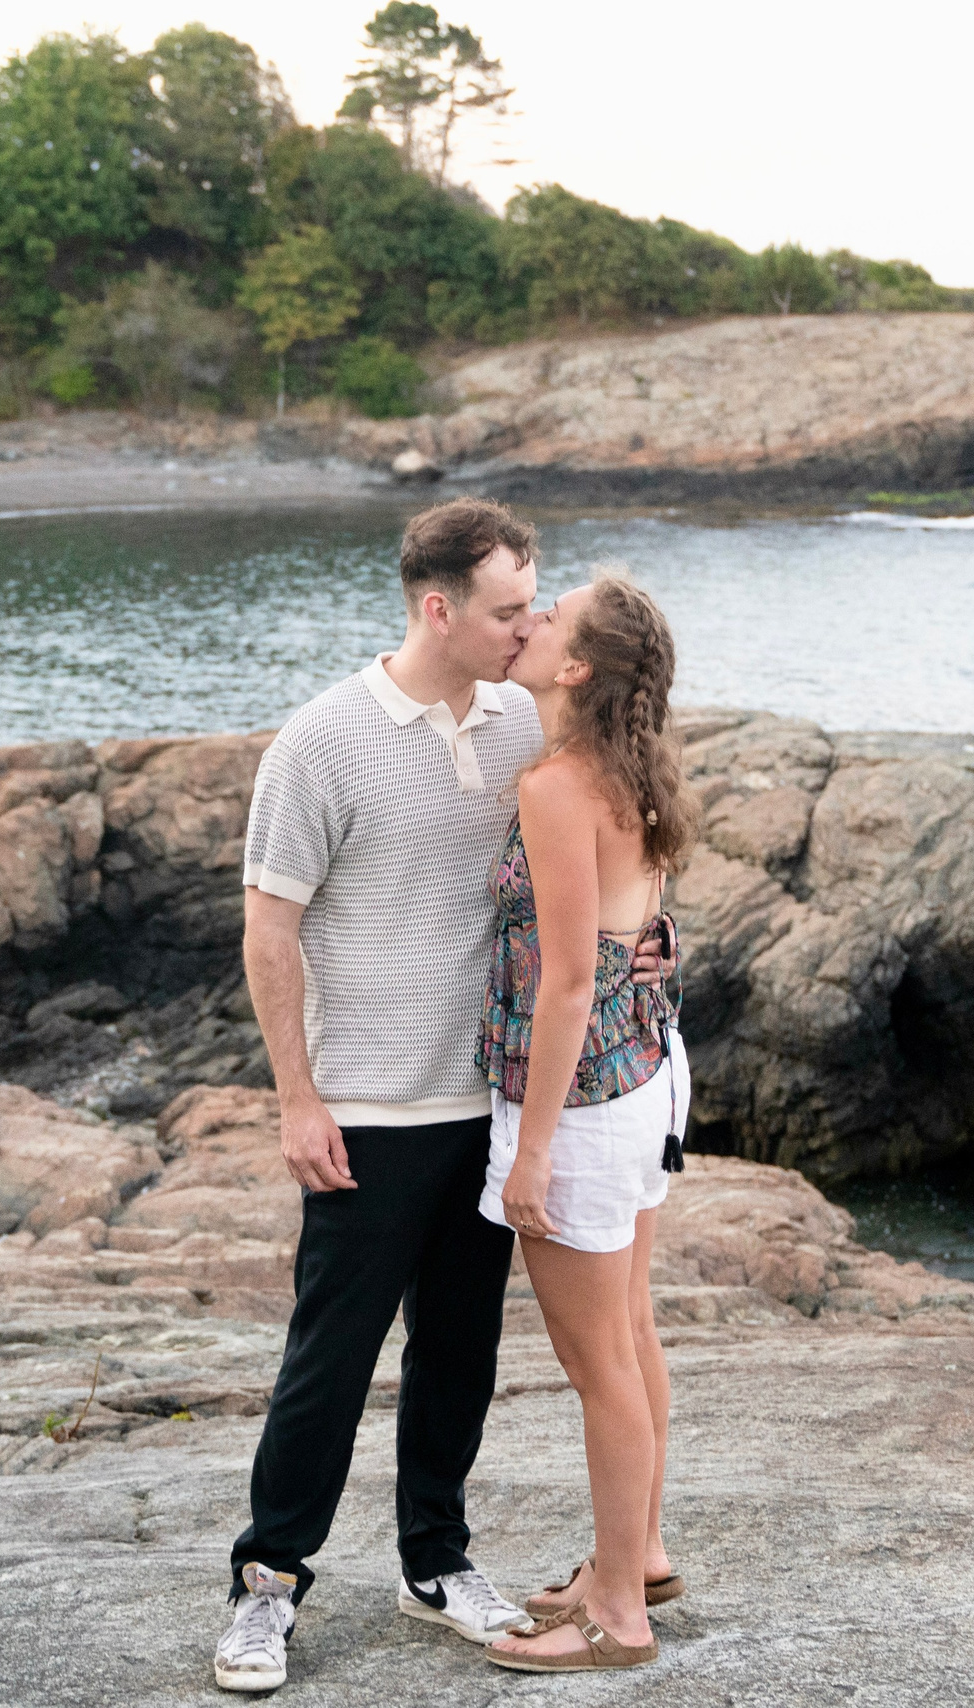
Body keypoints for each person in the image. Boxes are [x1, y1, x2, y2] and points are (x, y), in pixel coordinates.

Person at [213, 499, 661, 1694]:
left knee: (458, 1354)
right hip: (366, 1109)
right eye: (508, 609)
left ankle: (437, 1561)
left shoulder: (526, 721)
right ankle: (268, 1582)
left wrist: (645, 977)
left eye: (534, 606)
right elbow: (269, 928)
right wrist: (296, 1097)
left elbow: (612, 829)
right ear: (438, 608)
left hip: (490, 1106)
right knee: (330, 1359)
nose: (525, 626)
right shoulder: (319, 743)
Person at [476, 572, 697, 1675]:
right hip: (645, 1067)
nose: (529, 621)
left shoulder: (560, 785)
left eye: (550, 615)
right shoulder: (628, 767)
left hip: (585, 1100)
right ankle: (637, 1554)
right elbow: (630, 933)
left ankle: (616, 1613)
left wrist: (531, 1150)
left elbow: (566, 984)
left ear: (575, 668)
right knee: (631, 1333)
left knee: (598, 1360)